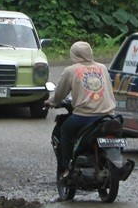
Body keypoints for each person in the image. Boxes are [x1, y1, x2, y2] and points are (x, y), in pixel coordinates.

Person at [47, 41, 115, 179]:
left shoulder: (71, 70)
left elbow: (59, 94)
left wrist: (51, 102)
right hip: (108, 116)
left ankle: (66, 167)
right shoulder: (102, 68)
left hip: (84, 116)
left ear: (74, 54)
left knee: (65, 130)